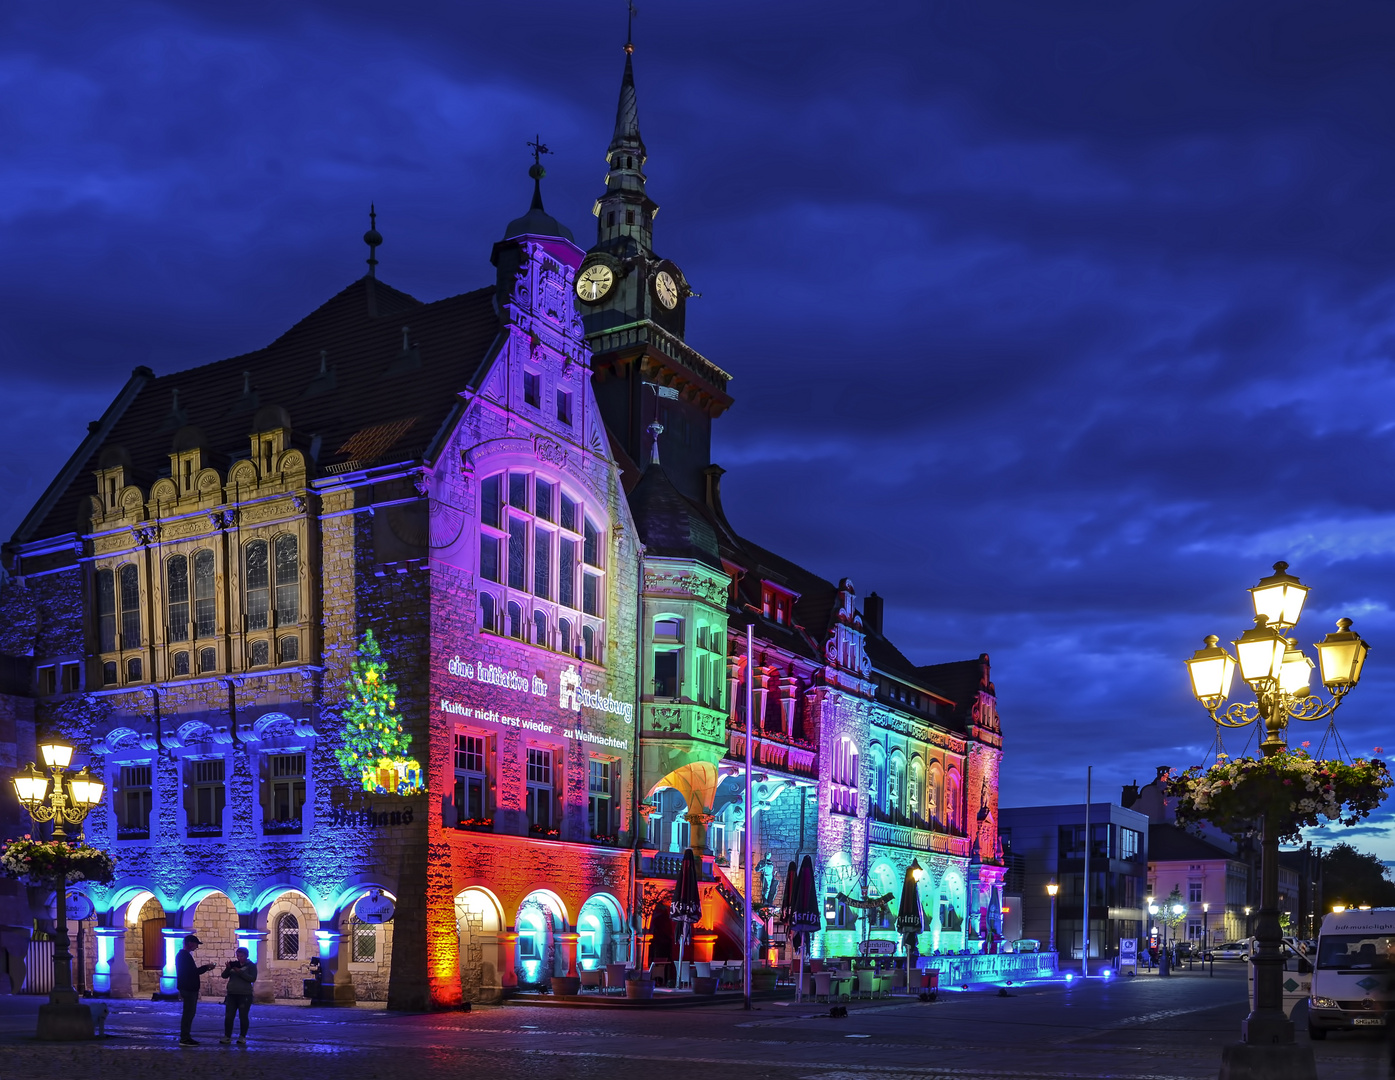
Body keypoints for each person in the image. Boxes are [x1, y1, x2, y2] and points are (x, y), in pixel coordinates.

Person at [176, 935, 215, 1045]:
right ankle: (184, 1038)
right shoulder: (184, 956)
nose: (197, 946)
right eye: (196, 944)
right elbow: (192, 972)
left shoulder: (183, 955)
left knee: (189, 1013)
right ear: (190, 943)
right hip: (188, 988)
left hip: (187, 987)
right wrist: (206, 967)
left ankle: (186, 1036)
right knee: (189, 1013)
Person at [219, 946, 258, 1045]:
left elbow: (252, 978)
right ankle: (227, 1036)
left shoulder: (251, 966)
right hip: (232, 994)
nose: (239, 958)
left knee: (243, 1016)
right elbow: (224, 976)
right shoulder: (234, 964)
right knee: (229, 1016)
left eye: (241, 956)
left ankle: (242, 1036)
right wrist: (228, 969)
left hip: (244, 995)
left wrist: (240, 972)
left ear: (246, 955)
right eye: (238, 956)